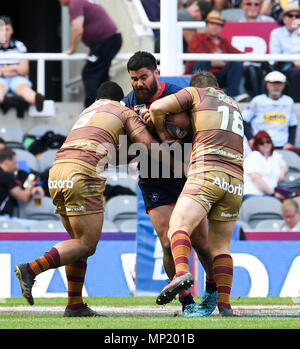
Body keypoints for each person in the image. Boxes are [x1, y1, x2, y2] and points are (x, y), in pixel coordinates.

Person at [14, 81, 162, 317]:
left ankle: (74, 305)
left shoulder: (88, 113)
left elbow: (114, 157)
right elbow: (146, 144)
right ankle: (31, 269)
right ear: (120, 99)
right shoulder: (123, 110)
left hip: (57, 170)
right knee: (86, 244)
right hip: (82, 172)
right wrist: (169, 147)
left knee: (76, 243)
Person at [122, 52, 217, 317]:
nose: (139, 84)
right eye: (134, 79)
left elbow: (200, 129)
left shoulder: (179, 95)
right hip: (153, 177)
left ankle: (211, 290)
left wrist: (176, 127)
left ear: (156, 72)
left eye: (143, 77)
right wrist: (145, 140)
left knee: (202, 243)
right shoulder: (127, 104)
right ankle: (187, 303)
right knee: (167, 241)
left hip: (187, 174)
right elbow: (124, 152)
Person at [150, 70, 243, 317]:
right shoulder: (234, 104)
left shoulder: (195, 93)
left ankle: (181, 274)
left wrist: (163, 134)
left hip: (207, 171)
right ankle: (225, 306)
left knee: (178, 228)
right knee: (221, 247)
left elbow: (158, 107)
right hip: (235, 179)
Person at [59, 0, 122, 108]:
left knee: (90, 74)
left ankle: (92, 109)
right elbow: (95, 22)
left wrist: (72, 49)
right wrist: (93, 49)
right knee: (101, 75)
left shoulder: (75, 2)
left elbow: (78, 29)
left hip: (107, 41)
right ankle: (107, 107)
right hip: (107, 41)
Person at [184, 11, 247, 101]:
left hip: (217, 77)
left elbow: (239, 55)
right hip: (198, 75)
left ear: (221, 28)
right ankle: (201, 95)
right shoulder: (197, 38)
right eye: (212, 23)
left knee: (236, 63)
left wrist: (218, 62)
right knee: (204, 61)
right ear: (207, 25)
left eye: (218, 24)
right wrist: (220, 61)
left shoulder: (224, 42)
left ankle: (233, 96)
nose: (215, 26)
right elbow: (200, 57)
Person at [243, 71, 298, 149]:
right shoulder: (257, 100)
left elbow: (293, 124)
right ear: (267, 85)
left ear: (284, 85)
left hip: (281, 145)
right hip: (260, 145)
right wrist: (250, 139)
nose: (276, 86)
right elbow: (243, 121)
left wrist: (290, 143)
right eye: (273, 83)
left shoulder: (289, 101)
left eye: (279, 83)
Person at [0, 16, 44, 113]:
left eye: (7, 29)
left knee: (23, 88)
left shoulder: (19, 45)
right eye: (2, 30)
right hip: (2, 79)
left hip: (17, 79)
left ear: (11, 30)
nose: (4, 33)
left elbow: (24, 69)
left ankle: (36, 100)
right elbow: (20, 69)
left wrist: (3, 71)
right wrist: (15, 68)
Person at [243, 130, 288, 201]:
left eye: (268, 141)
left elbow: (284, 166)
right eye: (261, 143)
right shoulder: (254, 156)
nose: (265, 144)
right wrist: (273, 194)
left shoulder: (275, 156)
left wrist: (282, 174)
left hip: (269, 194)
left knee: (291, 198)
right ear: (257, 145)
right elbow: (255, 178)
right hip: (252, 194)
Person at [0, 148, 44, 218]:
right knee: (32, 226)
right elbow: (23, 197)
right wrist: (30, 185)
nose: (16, 166)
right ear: (7, 162)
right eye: (14, 162)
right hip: (3, 219)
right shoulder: (5, 176)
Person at [269, 3, 300, 102]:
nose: (294, 18)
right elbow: (275, 55)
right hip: (285, 66)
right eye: (290, 16)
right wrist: (293, 61)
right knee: (296, 72)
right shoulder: (276, 33)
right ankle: (297, 104)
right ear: (284, 19)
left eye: (297, 16)